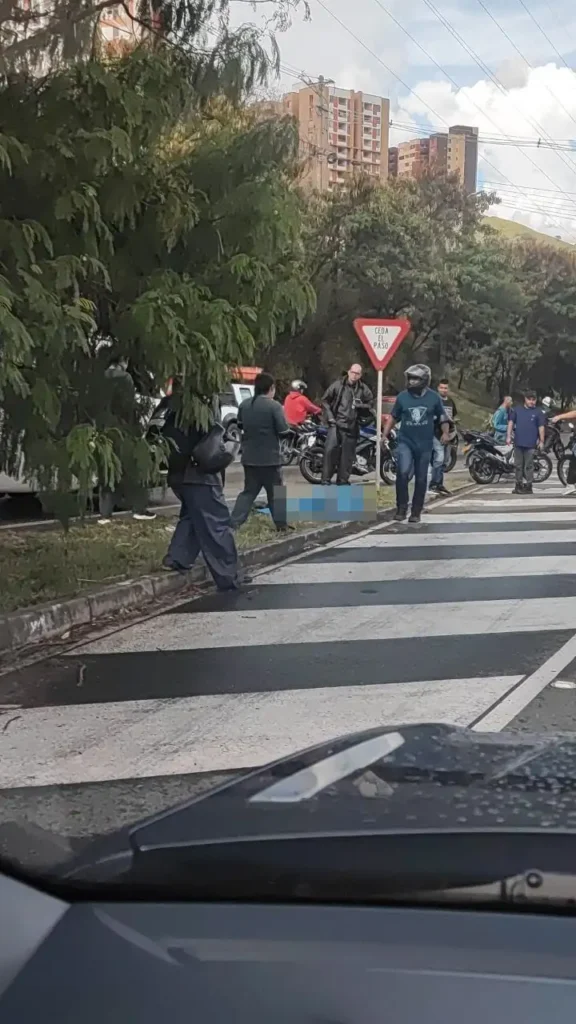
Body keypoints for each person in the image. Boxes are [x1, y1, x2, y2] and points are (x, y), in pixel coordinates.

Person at [161, 390, 245, 591]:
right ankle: (228, 575)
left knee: (192, 515)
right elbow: (209, 444)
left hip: (178, 473)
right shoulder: (200, 408)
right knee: (216, 523)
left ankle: (177, 558)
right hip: (198, 474)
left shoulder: (172, 406)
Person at [383, 363, 449, 524]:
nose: (412, 382)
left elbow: (442, 417)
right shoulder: (402, 397)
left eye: (415, 379)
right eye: (410, 379)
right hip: (405, 441)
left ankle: (416, 511)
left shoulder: (434, 397)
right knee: (403, 473)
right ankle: (401, 508)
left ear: (424, 380)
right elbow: (393, 417)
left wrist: (446, 432)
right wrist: (384, 435)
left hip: (425, 444)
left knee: (421, 478)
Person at [98, 356, 157, 523]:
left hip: (104, 430)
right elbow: (127, 406)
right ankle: (139, 509)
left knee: (107, 470)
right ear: (123, 361)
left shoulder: (100, 378)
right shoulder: (125, 378)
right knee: (135, 469)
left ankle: (104, 514)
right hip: (122, 430)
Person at [230, 372, 290, 531]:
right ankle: (281, 525)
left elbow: (241, 425)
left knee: (248, 493)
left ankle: (233, 523)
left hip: (249, 457)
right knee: (276, 493)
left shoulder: (244, 405)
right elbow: (284, 431)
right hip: (270, 459)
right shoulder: (274, 406)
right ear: (271, 388)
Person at [321, 363, 373, 485]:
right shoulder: (338, 385)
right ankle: (325, 479)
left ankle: (343, 480)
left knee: (347, 456)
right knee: (330, 451)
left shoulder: (363, 389)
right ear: (349, 372)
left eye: (357, 373)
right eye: (353, 372)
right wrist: (330, 417)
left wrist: (361, 407)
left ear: (360, 375)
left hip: (352, 425)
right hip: (336, 423)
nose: (354, 375)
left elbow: (371, 404)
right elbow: (325, 400)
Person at [506, 391, 546, 494]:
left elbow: (541, 427)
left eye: (533, 400)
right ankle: (518, 484)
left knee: (529, 465)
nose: (532, 402)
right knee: (518, 465)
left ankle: (529, 485)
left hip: (531, 444)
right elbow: (511, 423)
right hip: (518, 442)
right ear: (525, 399)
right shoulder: (517, 410)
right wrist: (508, 436)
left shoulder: (538, 412)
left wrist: (541, 441)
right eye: (530, 399)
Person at [429, 378, 458, 496]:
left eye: (446, 388)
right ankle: (433, 484)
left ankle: (439, 484)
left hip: (449, 434)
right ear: (438, 388)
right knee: (439, 458)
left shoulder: (450, 401)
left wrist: (454, 422)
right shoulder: (435, 400)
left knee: (445, 461)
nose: (444, 390)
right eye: (441, 388)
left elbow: (454, 415)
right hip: (436, 433)